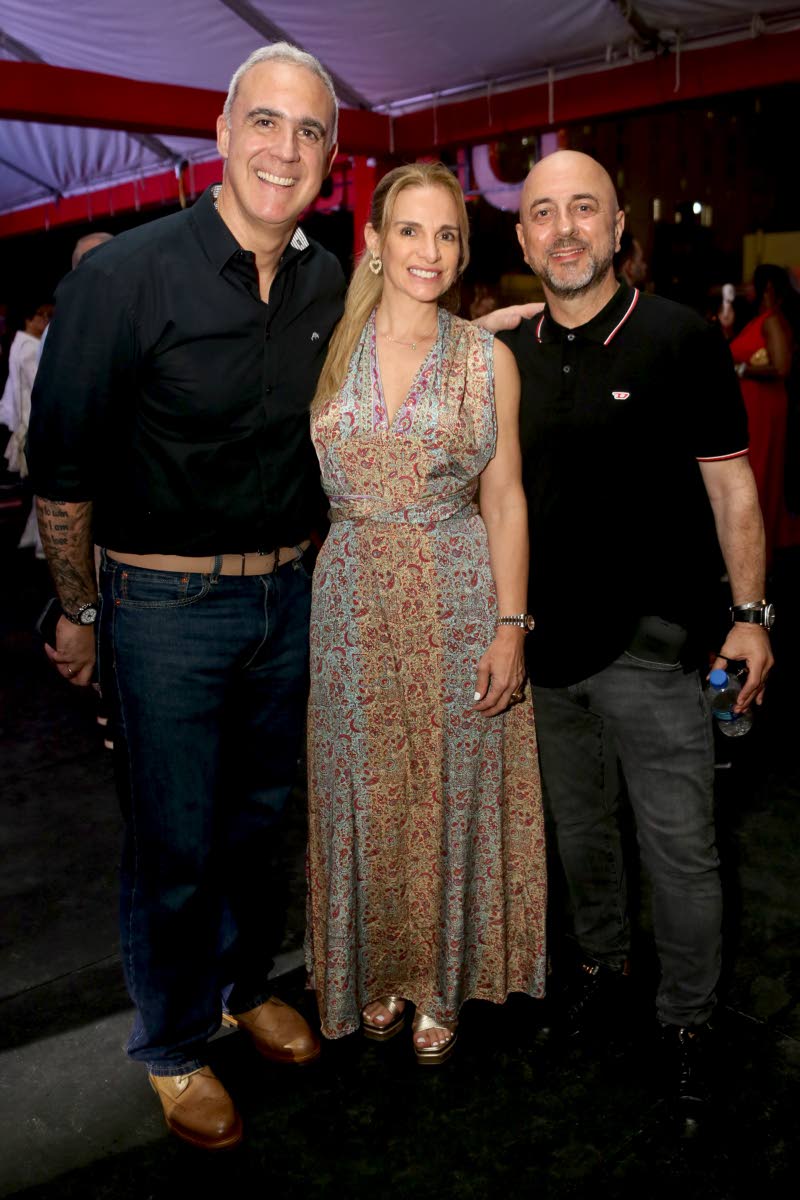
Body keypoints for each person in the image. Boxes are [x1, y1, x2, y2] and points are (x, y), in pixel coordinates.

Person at [27, 43, 537, 1148]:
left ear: (331, 158)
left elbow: (417, 333)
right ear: (221, 133)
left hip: (294, 599)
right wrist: (79, 612)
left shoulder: (322, 285)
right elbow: (60, 476)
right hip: (161, 607)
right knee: (173, 839)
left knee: (260, 824)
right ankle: (171, 1043)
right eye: (265, 121)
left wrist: (496, 331)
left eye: (309, 131)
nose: (284, 148)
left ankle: (242, 986)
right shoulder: (122, 278)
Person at [498, 150, 773, 1115]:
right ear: (523, 237)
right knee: (580, 836)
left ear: (620, 229)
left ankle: (689, 1021)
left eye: (586, 209)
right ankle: (603, 971)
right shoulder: (507, 355)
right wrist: (484, 325)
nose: (565, 228)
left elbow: (732, 488)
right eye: (544, 213)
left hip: (654, 651)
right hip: (547, 651)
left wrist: (751, 619)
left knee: (681, 850)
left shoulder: (680, 338)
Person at [305, 163, 546, 1063]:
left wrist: (511, 627)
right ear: (373, 241)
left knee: (446, 789)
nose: (429, 250)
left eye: (447, 234)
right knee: (362, 788)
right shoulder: (325, 344)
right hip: (350, 601)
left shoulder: (487, 361)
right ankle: (377, 966)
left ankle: (442, 978)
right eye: (410, 229)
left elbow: (506, 498)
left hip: (457, 594)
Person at [730, 264, 800, 560]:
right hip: (753, 407)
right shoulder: (758, 319)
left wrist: (742, 370)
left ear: (766, 288)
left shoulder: (771, 321)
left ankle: (757, 555)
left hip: (765, 409)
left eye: (751, 283)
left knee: (758, 476)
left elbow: (781, 367)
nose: (747, 288)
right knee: (752, 474)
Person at [0, 300, 50, 554]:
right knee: (42, 487)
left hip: (27, 422)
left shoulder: (20, 343)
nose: (45, 321)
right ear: (29, 319)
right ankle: (40, 541)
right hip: (34, 424)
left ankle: (33, 538)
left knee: (37, 488)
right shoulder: (30, 347)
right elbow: (39, 386)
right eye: (41, 315)